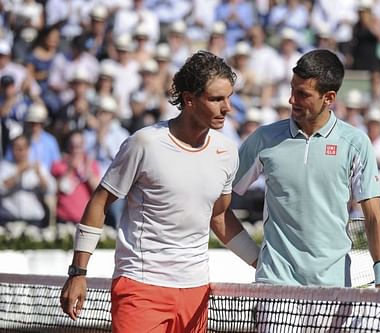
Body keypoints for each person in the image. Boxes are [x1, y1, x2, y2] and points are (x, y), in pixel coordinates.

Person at [59, 51, 260, 332]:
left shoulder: (226, 151)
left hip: (196, 290)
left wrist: (261, 263)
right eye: (216, 99)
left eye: (228, 97)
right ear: (189, 100)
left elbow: (219, 216)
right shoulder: (144, 143)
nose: (227, 107)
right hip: (141, 288)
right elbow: (99, 203)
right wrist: (78, 272)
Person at [225, 49, 380, 289]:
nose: (291, 100)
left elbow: (375, 217)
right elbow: (217, 203)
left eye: (302, 94)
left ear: (329, 98)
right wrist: (256, 258)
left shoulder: (356, 143)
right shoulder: (264, 138)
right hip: (275, 287)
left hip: (334, 290)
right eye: (292, 89)